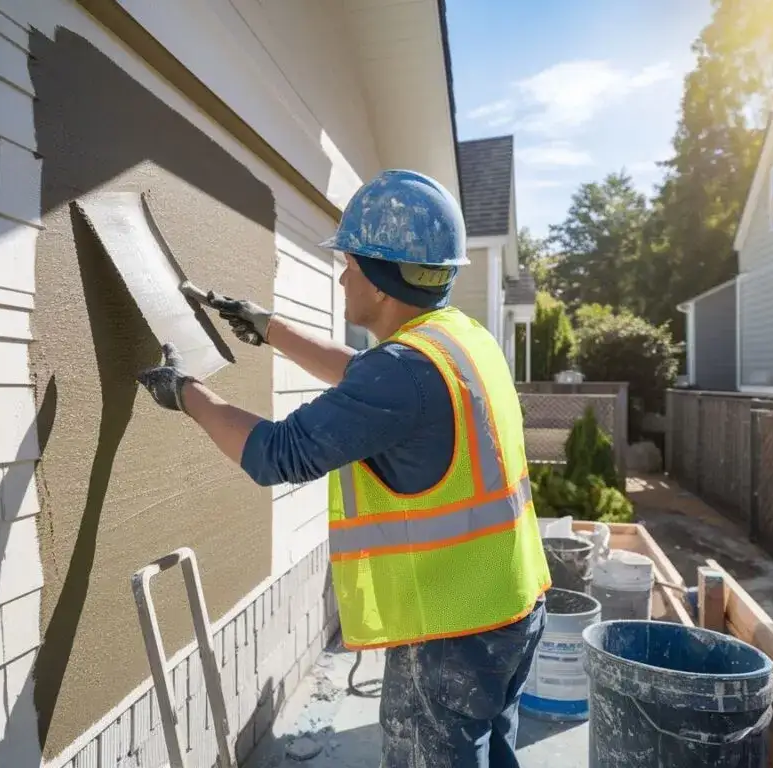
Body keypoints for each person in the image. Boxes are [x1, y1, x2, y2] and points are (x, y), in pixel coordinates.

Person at [136, 169, 551, 768]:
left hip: (454, 631)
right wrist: (270, 328)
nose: (341, 272)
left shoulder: (404, 372)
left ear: (382, 283)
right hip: (512, 606)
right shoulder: (456, 339)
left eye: (351, 262)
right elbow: (371, 374)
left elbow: (277, 453)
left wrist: (187, 393)